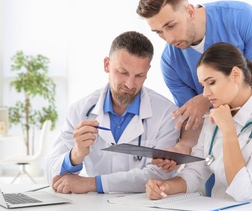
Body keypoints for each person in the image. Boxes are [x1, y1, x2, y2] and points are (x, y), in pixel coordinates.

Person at [136, 0, 252, 171]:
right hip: (218, 148)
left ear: (190, 11)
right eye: (159, 33)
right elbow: (194, 121)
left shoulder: (240, 18)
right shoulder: (170, 62)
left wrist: (206, 100)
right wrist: (182, 148)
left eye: (171, 25)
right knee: (221, 198)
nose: (169, 39)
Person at [145, 42, 252, 202]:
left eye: (212, 82)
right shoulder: (213, 116)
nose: (206, 94)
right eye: (203, 85)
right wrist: (165, 187)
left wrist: (228, 129)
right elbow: (195, 172)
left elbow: (243, 191)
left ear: (235, 75)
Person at [45, 31, 180, 194]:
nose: (130, 84)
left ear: (148, 70)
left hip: (143, 210)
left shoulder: (167, 113)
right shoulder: (80, 110)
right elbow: (51, 173)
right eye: (123, 73)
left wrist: (92, 183)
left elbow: (160, 175)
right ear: (107, 65)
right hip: (94, 209)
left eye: (139, 75)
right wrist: (76, 154)